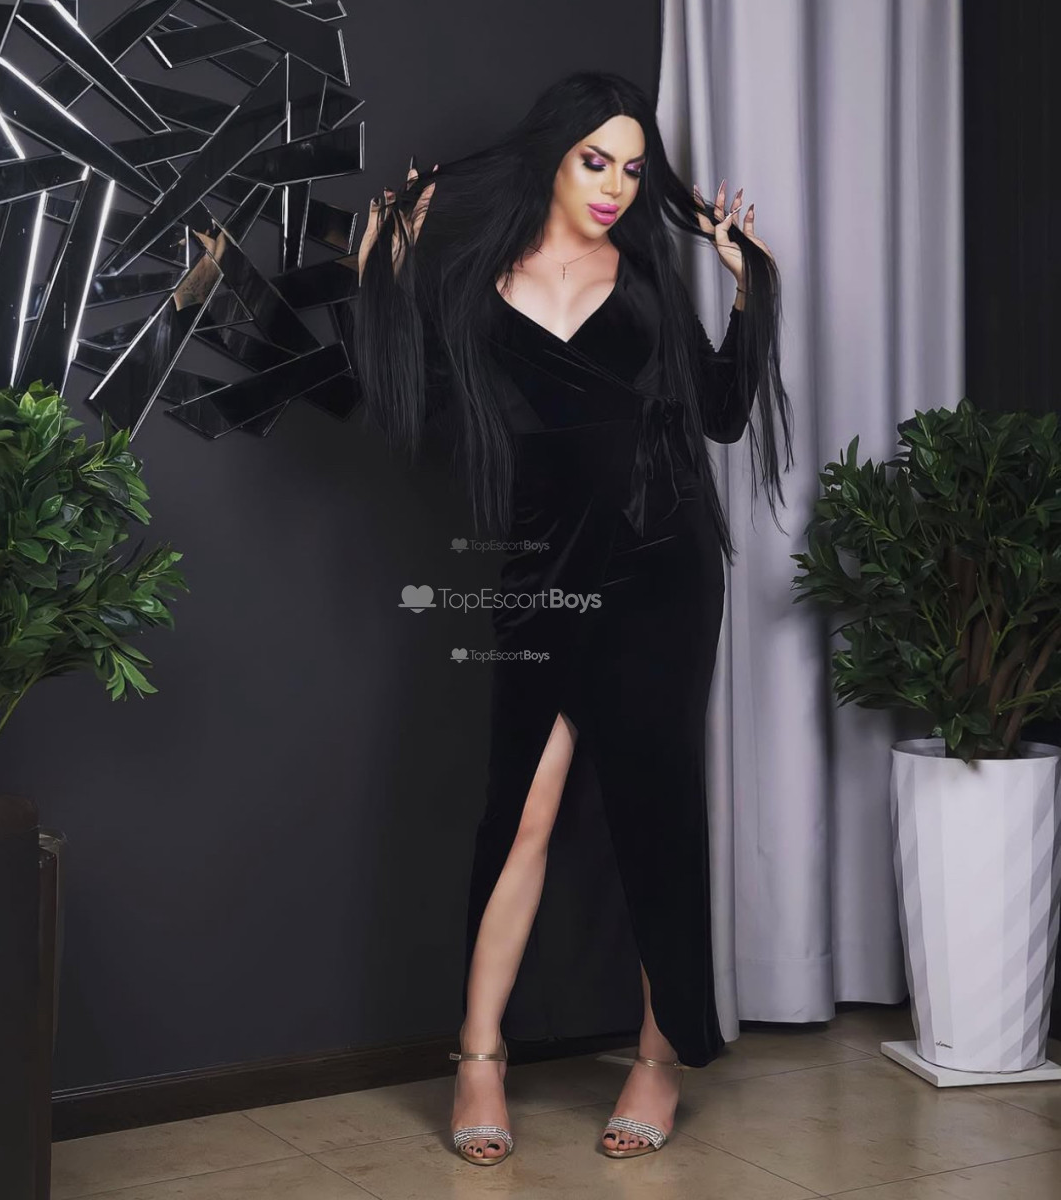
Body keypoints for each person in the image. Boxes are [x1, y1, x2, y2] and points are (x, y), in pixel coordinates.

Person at [354, 69, 793, 1165]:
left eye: (633, 169)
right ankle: (479, 1056)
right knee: (525, 811)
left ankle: (657, 1056)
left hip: (661, 574)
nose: (614, 186)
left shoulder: (645, 283)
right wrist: (384, 275)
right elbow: (419, 416)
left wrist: (748, 289)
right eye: (596, 160)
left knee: (656, 811)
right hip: (543, 574)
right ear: (553, 154)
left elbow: (725, 416)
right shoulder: (476, 285)